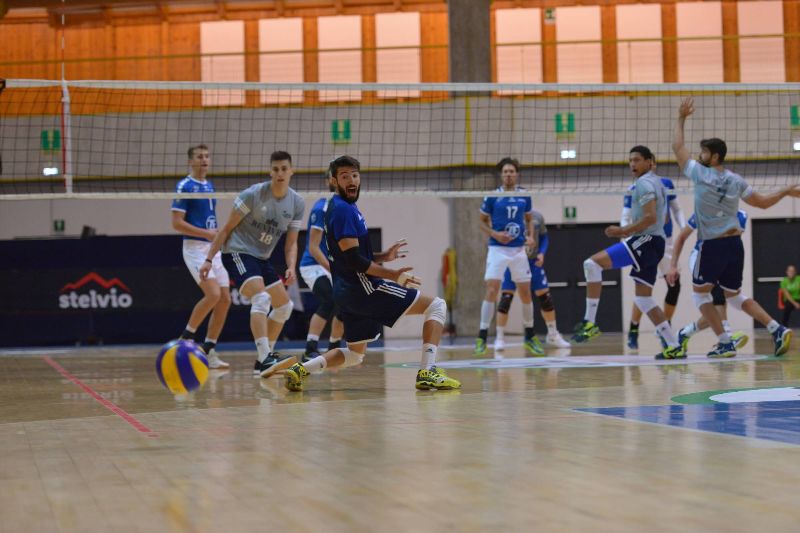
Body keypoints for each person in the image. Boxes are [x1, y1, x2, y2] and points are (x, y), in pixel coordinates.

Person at [282, 155, 460, 392]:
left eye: (355, 175)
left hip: (346, 293)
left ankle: (301, 369)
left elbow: (351, 254)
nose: (352, 180)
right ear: (334, 181)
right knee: (436, 306)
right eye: (345, 176)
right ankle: (427, 372)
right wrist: (393, 275)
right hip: (364, 288)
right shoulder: (343, 210)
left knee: (355, 355)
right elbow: (355, 261)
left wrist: (383, 255)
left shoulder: (343, 207)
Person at [672, 96, 798, 357]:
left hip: (712, 245)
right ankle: (776, 328)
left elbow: (677, 147)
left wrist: (682, 118)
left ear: (714, 156)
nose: (700, 155)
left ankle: (725, 342)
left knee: (699, 296)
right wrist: (786, 191)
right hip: (734, 246)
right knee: (734, 296)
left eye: (704, 152)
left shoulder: (699, 173)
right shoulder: (736, 180)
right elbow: (763, 204)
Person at [572, 145, 684, 360]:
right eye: (630, 160)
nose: (632, 164)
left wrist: (623, 231)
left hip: (646, 240)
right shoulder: (659, 183)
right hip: (656, 241)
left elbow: (651, 217)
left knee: (592, 264)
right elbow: (663, 218)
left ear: (649, 162)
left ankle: (590, 322)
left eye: (637, 160)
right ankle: (673, 345)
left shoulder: (643, 184)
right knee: (643, 300)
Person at [200, 150, 304, 377]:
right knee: (261, 298)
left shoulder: (297, 203)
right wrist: (208, 259)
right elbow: (226, 229)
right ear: (270, 172)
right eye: (275, 169)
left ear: (291, 171)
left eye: (284, 169)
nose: (280, 173)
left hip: (262, 258)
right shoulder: (253, 194)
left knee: (284, 307)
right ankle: (266, 358)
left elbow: (291, 243)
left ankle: (262, 362)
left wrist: (291, 266)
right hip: (237, 252)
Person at [474, 157, 543, 357]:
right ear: (501, 175)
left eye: (511, 171)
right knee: (492, 290)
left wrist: (531, 236)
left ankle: (530, 335)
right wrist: (495, 234)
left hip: (518, 250)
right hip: (497, 249)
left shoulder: (524, 195)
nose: (508, 175)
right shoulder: (493, 196)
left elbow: (529, 219)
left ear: (517, 174)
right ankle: (482, 336)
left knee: (525, 292)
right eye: (505, 172)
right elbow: (481, 222)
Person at [172, 144, 231, 369]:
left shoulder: (209, 185)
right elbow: (177, 224)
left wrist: (215, 237)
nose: (204, 160)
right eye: (199, 157)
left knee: (225, 299)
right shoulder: (184, 186)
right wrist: (207, 233)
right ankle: (185, 339)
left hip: (211, 248)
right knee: (213, 294)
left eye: (207, 156)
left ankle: (209, 350)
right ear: (191, 161)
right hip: (194, 248)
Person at [622, 160, 686, 350]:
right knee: (643, 289)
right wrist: (627, 236)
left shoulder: (666, 184)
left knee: (674, 285)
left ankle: (664, 327)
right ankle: (634, 329)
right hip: (644, 241)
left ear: (654, 165)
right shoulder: (633, 188)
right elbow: (625, 215)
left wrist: (684, 228)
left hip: (666, 241)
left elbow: (676, 209)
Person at [666, 210, 749, 351]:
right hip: (700, 257)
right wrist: (673, 265)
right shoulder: (703, 210)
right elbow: (681, 237)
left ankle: (685, 333)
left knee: (716, 306)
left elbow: (730, 243)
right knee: (718, 295)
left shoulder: (741, 215)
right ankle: (727, 337)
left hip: (721, 258)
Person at [494, 208, 570, 351]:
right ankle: (499, 338)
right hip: (513, 262)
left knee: (545, 298)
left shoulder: (537, 216)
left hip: (533, 262)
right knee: (506, 299)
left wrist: (542, 253)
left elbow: (544, 238)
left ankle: (553, 334)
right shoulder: (505, 217)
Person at [299, 162, 344, 362]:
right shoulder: (322, 208)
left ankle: (334, 347)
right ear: (330, 182)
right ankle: (310, 348)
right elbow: (313, 248)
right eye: (338, 177)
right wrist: (334, 269)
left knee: (345, 303)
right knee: (329, 299)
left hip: (331, 265)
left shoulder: (344, 208)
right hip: (313, 265)